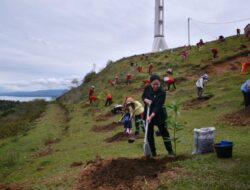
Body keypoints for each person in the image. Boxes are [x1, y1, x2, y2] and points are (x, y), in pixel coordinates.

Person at [142, 74, 174, 157]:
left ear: (160, 83)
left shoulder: (162, 92)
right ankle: (153, 153)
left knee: (164, 132)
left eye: (157, 84)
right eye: (154, 84)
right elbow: (143, 96)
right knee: (149, 134)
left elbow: (158, 106)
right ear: (151, 83)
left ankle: (170, 151)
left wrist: (151, 116)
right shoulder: (147, 88)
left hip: (159, 114)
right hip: (148, 113)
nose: (156, 86)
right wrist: (146, 100)